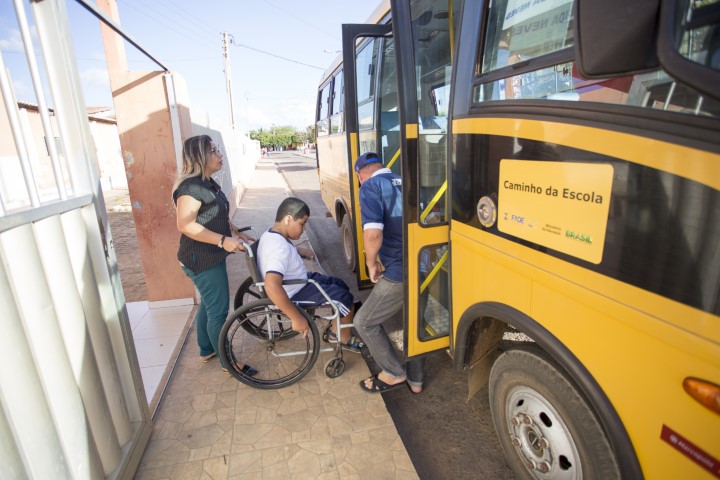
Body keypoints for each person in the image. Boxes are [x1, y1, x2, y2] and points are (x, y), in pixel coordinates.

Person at [172, 134, 257, 375]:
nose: (219, 154)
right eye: (213, 151)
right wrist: (222, 240)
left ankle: (206, 348)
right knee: (218, 311)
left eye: (218, 149)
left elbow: (215, 215)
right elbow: (186, 225)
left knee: (209, 304)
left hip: (209, 255)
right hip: (202, 259)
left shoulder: (208, 183)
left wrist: (236, 232)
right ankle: (227, 362)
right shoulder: (190, 189)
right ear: (199, 156)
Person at [353, 152, 424, 394]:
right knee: (415, 322)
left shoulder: (370, 187)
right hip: (426, 263)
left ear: (362, 175)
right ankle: (416, 381)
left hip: (398, 270)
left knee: (364, 322)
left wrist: (371, 262)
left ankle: (394, 373)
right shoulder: (406, 181)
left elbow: (372, 234)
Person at [257, 197, 364, 351]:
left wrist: (299, 251)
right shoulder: (278, 247)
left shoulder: (271, 235)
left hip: (298, 282)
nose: (304, 228)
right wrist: (296, 317)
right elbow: (271, 285)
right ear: (288, 219)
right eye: (302, 223)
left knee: (338, 283)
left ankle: (339, 324)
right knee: (344, 298)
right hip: (294, 292)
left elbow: (282, 253)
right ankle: (341, 337)